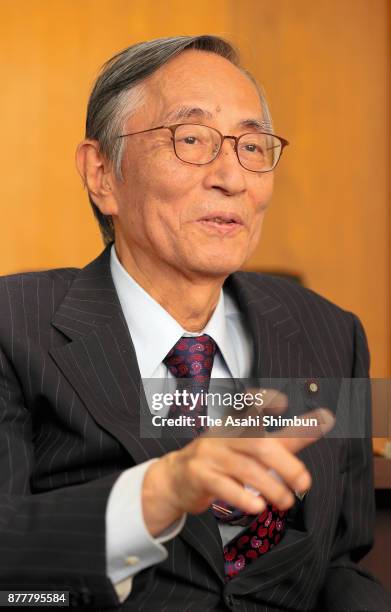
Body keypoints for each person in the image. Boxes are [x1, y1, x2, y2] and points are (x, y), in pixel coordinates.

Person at [0, 35, 389, 611]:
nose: (233, 177)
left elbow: (339, 559)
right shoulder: (14, 326)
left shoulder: (330, 334)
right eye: (192, 140)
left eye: (253, 147)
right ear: (102, 171)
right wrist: (164, 490)